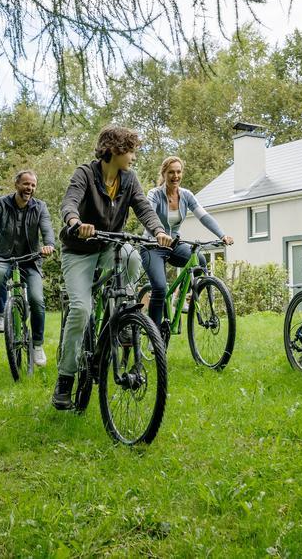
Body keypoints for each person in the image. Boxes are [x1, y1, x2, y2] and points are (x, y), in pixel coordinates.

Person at [54, 125, 174, 409]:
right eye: (130, 151)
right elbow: (69, 202)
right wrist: (75, 223)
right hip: (79, 250)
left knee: (133, 257)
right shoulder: (85, 173)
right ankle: (65, 379)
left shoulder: (129, 179)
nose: (133, 157)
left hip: (109, 247)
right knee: (81, 310)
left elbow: (144, 208)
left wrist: (158, 230)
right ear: (114, 150)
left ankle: (118, 319)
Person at [141, 156, 233, 333]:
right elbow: (149, 216)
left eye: (178, 171)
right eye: (171, 172)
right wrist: (159, 233)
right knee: (159, 288)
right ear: (164, 174)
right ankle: (154, 333)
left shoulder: (186, 195)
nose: (175, 176)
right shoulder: (155, 194)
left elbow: (204, 216)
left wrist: (222, 235)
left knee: (198, 260)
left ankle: (181, 301)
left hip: (174, 245)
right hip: (152, 246)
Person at [0, 170, 56, 367]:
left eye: (33, 185)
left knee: (37, 300)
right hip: (4, 257)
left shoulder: (40, 207)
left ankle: (37, 345)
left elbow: (47, 229)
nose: (29, 188)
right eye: (26, 184)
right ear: (16, 185)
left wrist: (49, 245)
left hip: (31, 260)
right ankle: (1, 316)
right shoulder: (1, 205)